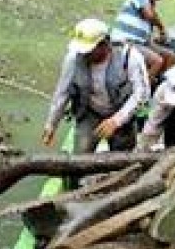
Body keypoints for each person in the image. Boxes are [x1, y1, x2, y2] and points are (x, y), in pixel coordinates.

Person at [42, 17, 150, 154]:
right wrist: (51, 124)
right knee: (80, 157)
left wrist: (117, 120)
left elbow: (142, 94)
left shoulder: (129, 57)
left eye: (89, 50)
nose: (84, 54)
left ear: (104, 44)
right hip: (90, 113)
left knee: (121, 159)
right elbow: (62, 92)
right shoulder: (74, 58)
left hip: (121, 113)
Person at [110, 0, 175, 78]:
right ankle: (144, 91)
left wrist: (159, 39)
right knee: (157, 61)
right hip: (124, 42)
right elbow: (148, 15)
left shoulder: (151, 5)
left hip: (139, 43)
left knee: (170, 56)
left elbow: (145, 35)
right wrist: (161, 28)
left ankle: (159, 87)